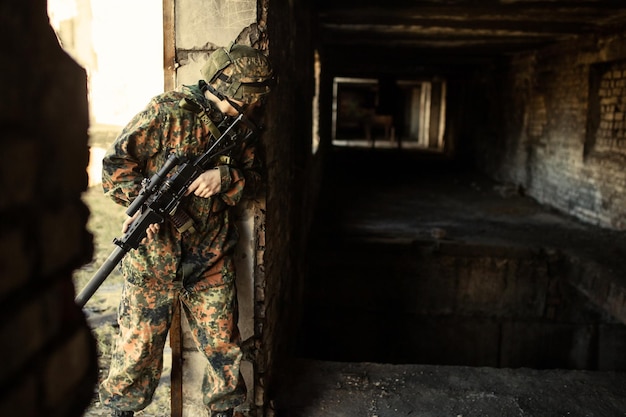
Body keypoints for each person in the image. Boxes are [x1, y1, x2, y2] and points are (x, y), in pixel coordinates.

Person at [98, 42, 275, 417]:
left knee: (224, 354)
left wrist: (225, 176)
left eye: (249, 103)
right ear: (222, 85)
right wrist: (140, 204)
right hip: (153, 264)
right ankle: (120, 412)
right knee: (136, 353)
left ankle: (225, 413)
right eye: (242, 100)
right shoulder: (166, 113)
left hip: (210, 260)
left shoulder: (239, 128)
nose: (246, 109)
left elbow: (258, 182)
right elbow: (114, 165)